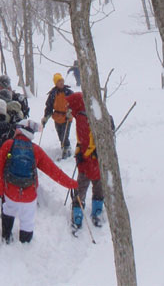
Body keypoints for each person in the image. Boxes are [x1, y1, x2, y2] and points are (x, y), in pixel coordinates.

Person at [0, 119, 78, 243]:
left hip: (10, 192)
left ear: (19, 130)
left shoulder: (8, 145)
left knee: (8, 210)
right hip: (29, 195)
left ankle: (6, 237)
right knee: (27, 219)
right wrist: (72, 183)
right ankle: (25, 242)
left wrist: (0, 191)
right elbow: (53, 171)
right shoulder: (35, 150)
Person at [67, 92, 104, 230]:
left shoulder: (82, 118)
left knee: (81, 187)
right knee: (98, 185)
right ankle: (97, 211)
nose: (69, 108)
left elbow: (86, 140)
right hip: (97, 160)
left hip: (88, 161)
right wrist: (79, 150)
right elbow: (85, 140)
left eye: (70, 105)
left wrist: (83, 154)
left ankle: (77, 215)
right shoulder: (90, 114)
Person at [41, 73, 74, 159]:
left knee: (64, 135)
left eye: (62, 81)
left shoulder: (68, 92)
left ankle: (67, 149)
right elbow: (49, 107)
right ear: (56, 83)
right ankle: (64, 147)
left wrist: (70, 112)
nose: (61, 83)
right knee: (60, 135)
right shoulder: (53, 93)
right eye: (59, 81)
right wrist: (45, 118)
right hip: (57, 117)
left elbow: (74, 103)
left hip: (67, 117)